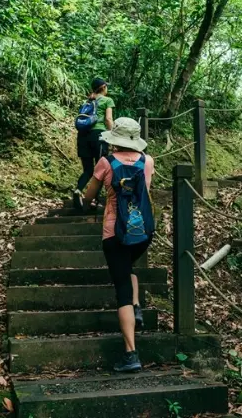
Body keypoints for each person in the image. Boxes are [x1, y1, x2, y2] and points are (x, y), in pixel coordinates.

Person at [81, 117, 154, 373]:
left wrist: (88, 200)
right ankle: (136, 308)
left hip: (114, 232)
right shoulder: (147, 162)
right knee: (128, 267)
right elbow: (145, 193)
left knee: (121, 285)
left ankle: (131, 353)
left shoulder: (106, 163)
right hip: (142, 231)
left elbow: (89, 195)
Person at [74, 78, 115, 208]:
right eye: (106, 86)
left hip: (82, 136)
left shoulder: (87, 101)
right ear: (103, 87)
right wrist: (114, 135)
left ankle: (78, 189)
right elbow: (108, 119)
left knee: (88, 170)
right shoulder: (107, 100)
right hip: (98, 136)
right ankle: (96, 200)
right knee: (101, 169)